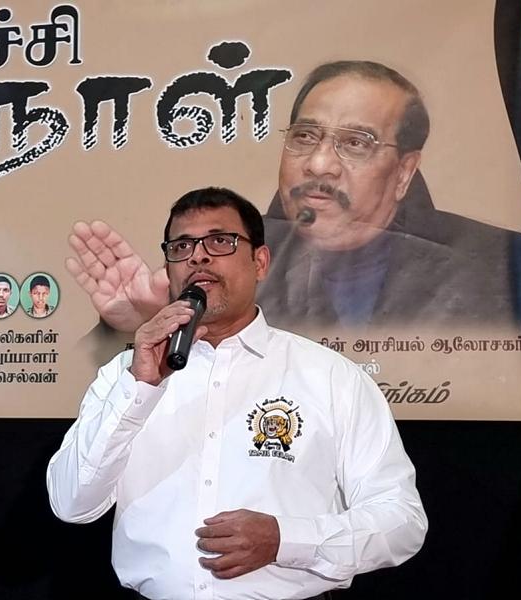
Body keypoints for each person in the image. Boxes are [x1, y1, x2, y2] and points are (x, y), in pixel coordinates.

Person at [47, 187, 427, 600]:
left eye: (220, 241)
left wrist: (285, 539)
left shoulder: (331, 377)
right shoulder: (124, 375)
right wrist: (139, 388)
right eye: (182, 246)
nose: (198, 256)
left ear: (260, 262)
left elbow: (401, 521)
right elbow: (72, 505)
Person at [68, 60, 521, 334]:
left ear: (405, 171)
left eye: (355, 143)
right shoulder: (227, 258)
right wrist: (135, 326)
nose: (319, 164)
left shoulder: (504, 268)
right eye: (305, 136)